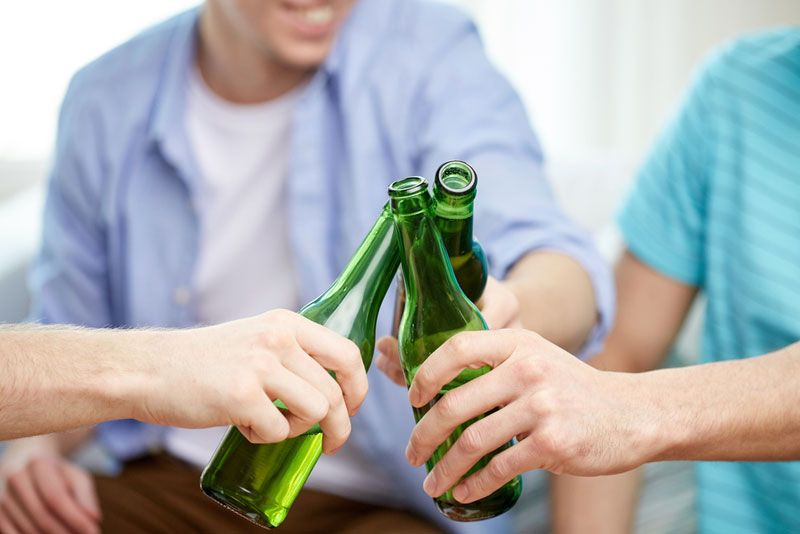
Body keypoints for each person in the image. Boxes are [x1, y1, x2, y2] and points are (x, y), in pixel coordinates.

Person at [0, 0, 613, 532]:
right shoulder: (106, 97)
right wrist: (32, 453)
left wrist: (508, 308)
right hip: (172, 484)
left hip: (382, 507)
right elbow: (66, 327)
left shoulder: (431, 54)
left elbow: (561, 263)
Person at [380, 28, 800, 534]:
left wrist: (634, 408)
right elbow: (617, 350)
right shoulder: (736, 90)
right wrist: (518, 307)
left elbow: (614, 398)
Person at [0, 311, 365, 444]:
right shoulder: (99, 139)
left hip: (371, 498)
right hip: (161, 469)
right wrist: (154, 366)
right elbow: (63, 317)